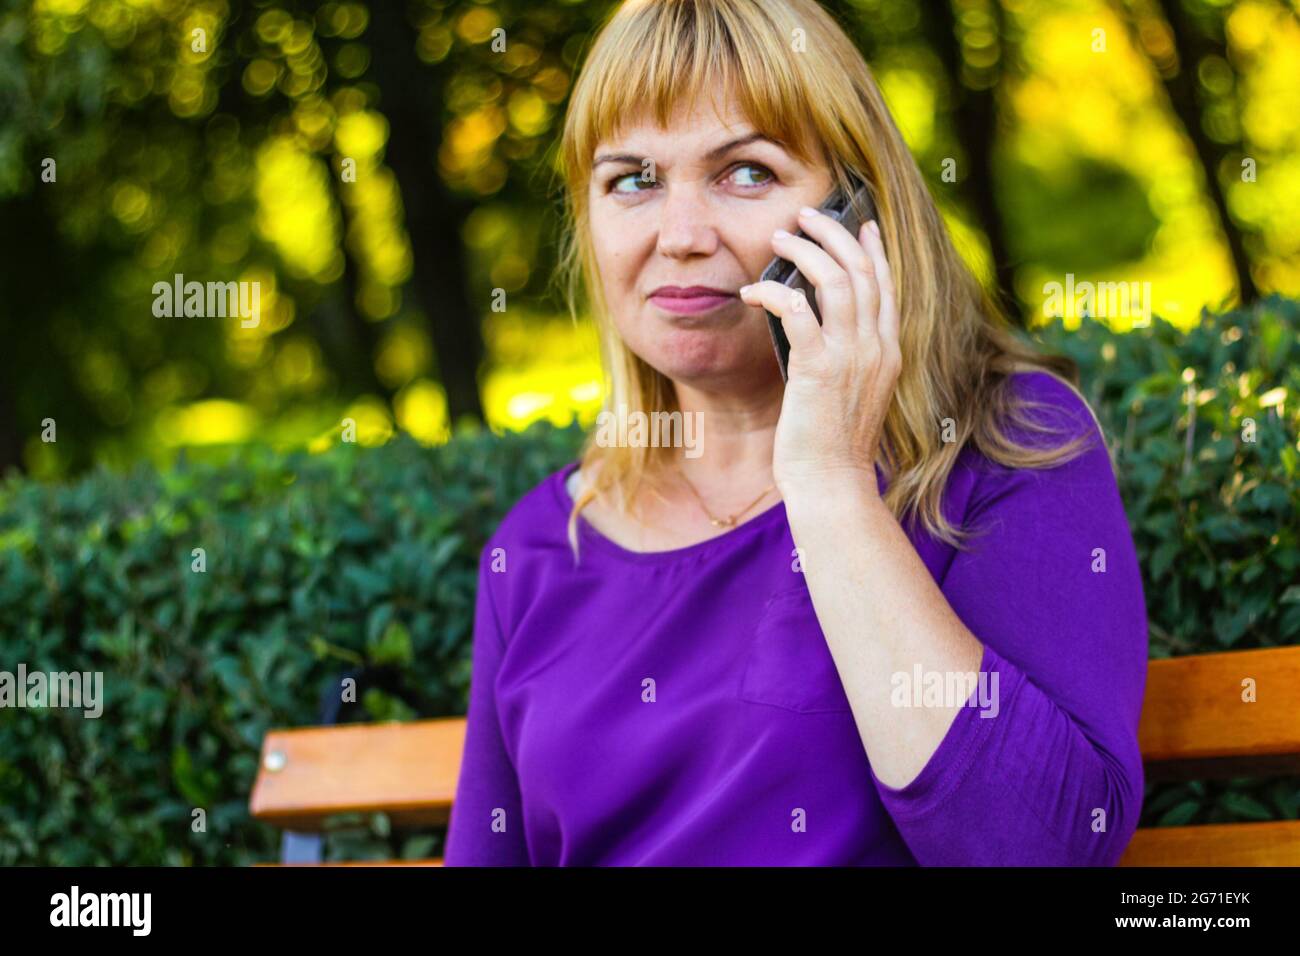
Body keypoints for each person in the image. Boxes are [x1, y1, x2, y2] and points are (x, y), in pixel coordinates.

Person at [444, 0, 1147, 866]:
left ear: (858, 208)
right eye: (631, 180)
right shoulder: (543, 546)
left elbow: (1042, 848)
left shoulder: (1008, 445)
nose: (681, 236)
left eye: (744, 172)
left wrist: (832, 488)